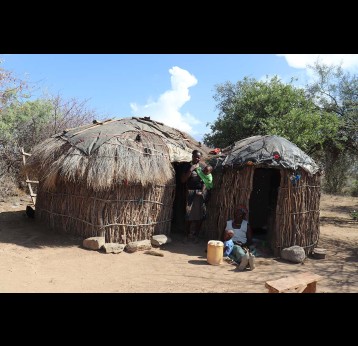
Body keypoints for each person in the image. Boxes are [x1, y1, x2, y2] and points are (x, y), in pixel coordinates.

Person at [181, 150, 212, 243]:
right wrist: (191, 169)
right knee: (188, 215)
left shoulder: (203, 167)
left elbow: (207, 180)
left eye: (199, 157)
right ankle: (186, 235)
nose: (197, 159)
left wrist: (203, 192)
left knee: (199, 216)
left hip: (200, 193)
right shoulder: (186, 166)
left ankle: (196, 236)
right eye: (195, 157)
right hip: (190, 192)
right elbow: (183, 180)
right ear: (192, 156)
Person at [224, 206, 255, 270]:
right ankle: (248, 262)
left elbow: (250, 240)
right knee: (237, 249)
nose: (237, 215)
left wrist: (242, 244)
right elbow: (223, 238)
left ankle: (245, 262)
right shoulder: (228, 223)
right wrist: (232, 242)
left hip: (243, 245)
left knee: (241, 250)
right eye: (236, 213)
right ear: (234, 214)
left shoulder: (246, 225)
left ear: (243, 216)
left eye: (240, 214)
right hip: (231, 245)